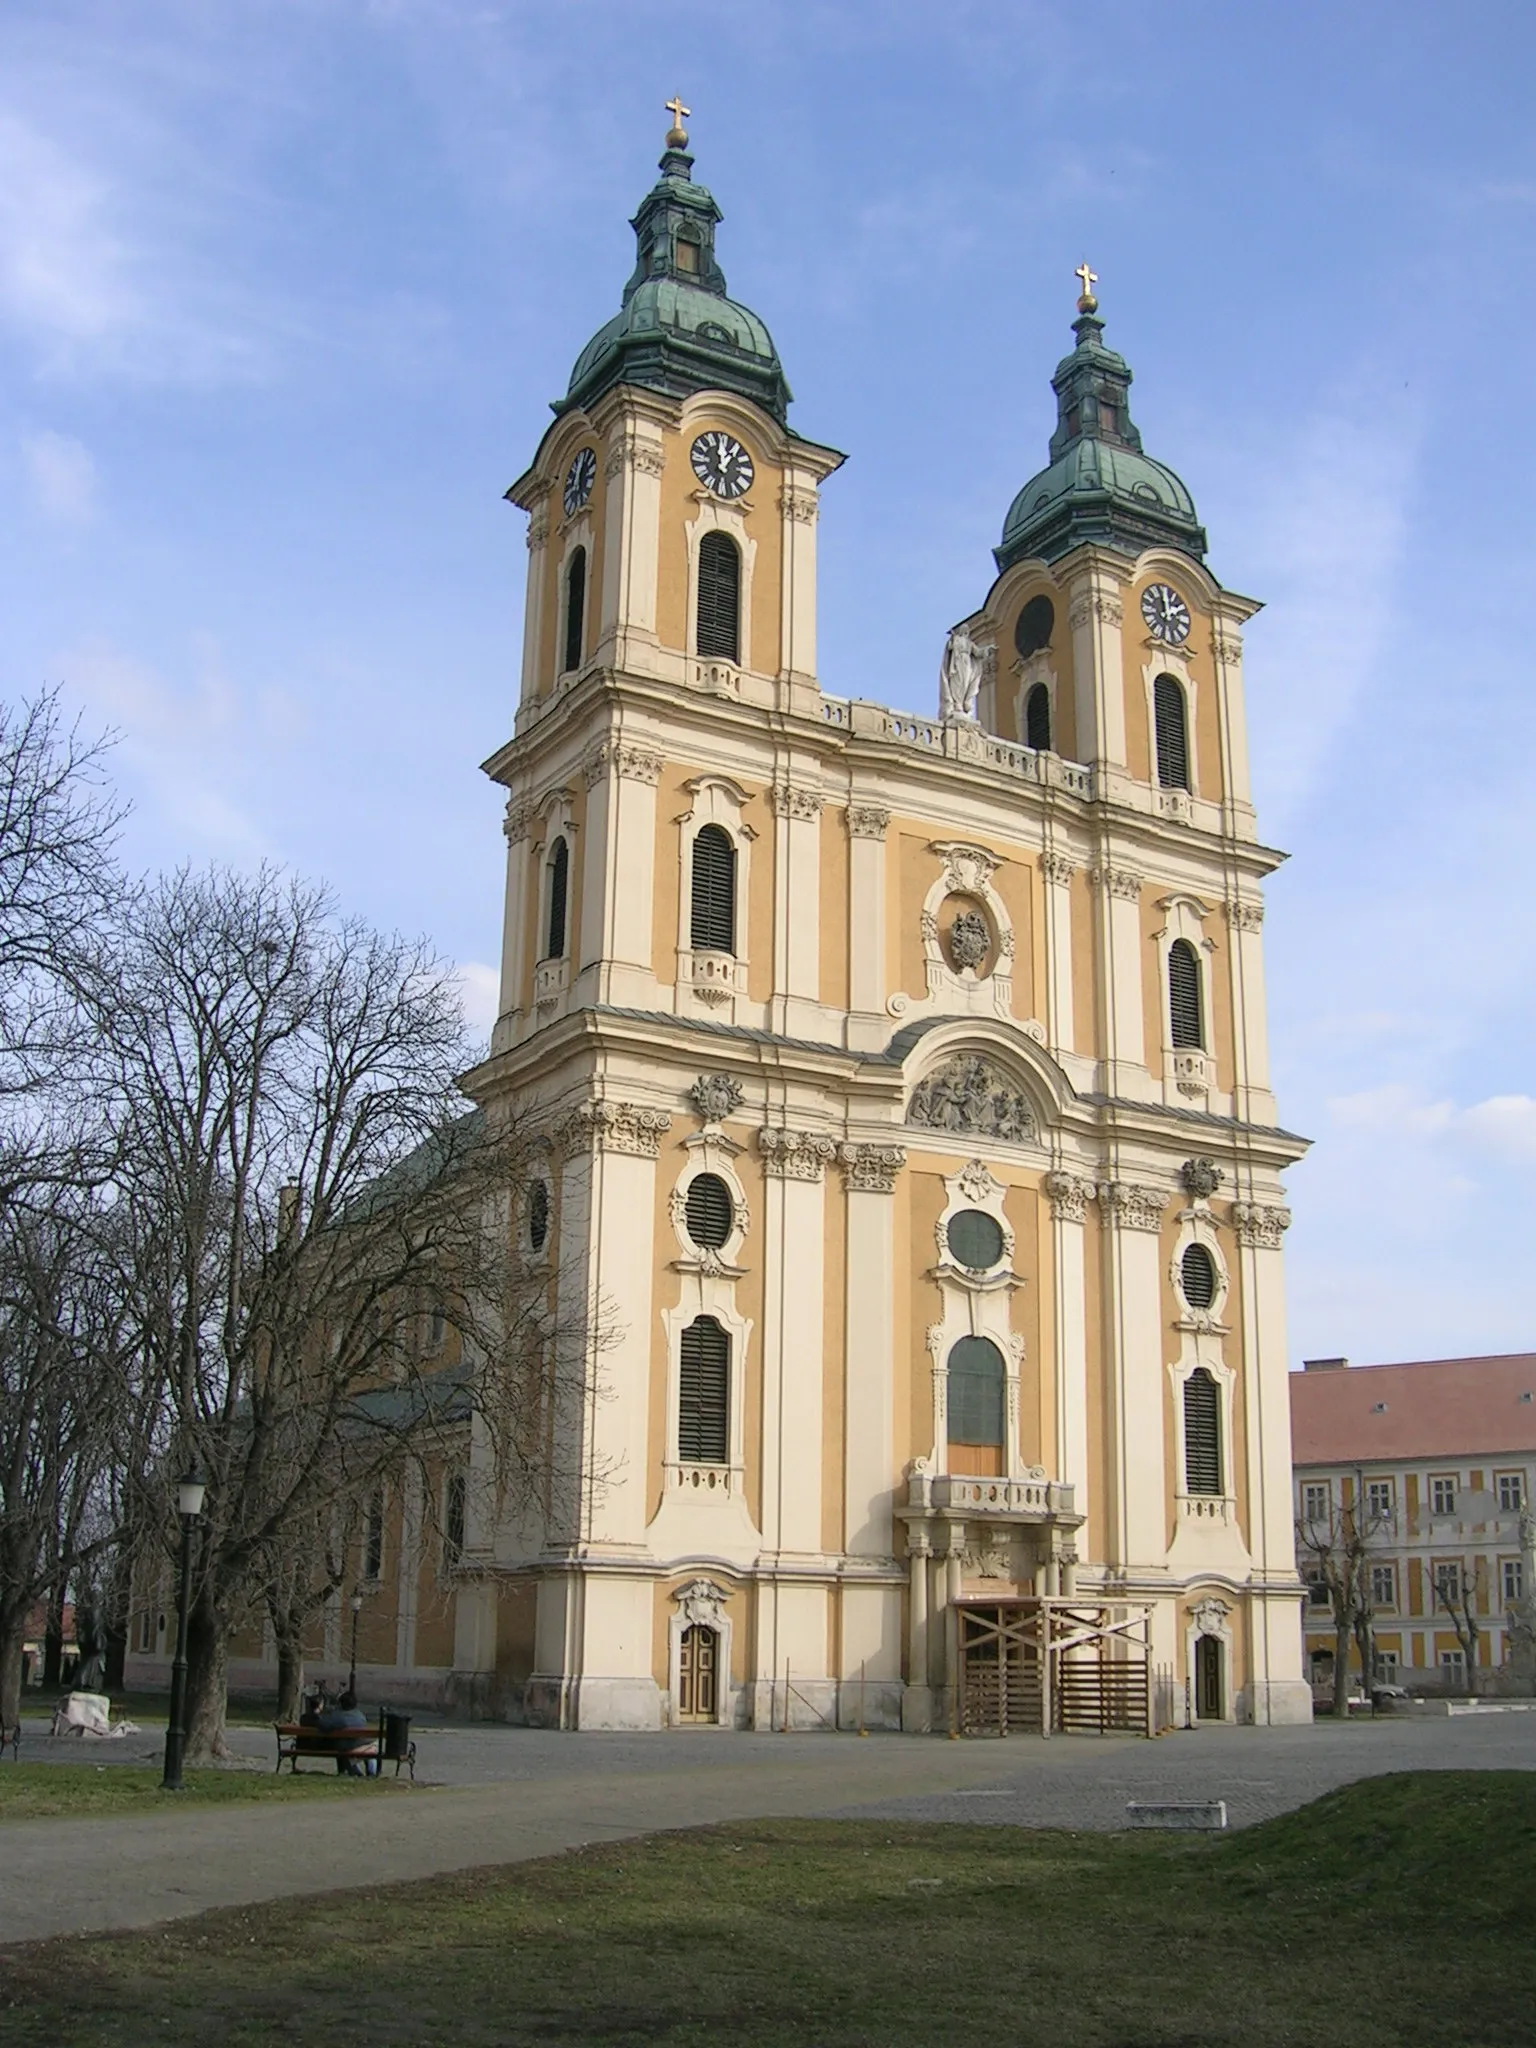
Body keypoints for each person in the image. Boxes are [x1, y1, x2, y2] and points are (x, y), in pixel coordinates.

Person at [315, 1687, 373, 1776]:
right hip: (360, 1745)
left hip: (345, 1747)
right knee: (372, 1748)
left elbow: (323, 1725)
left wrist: (318, 1713)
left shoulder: (338, 1716)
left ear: (341, 1704)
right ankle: (371, 1772)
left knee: (346, 1751)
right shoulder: (360, 1716)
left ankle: (355, 1772)